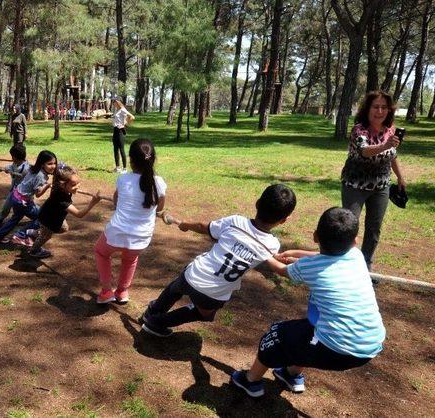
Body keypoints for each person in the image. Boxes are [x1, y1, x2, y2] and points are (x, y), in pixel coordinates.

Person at [231, 207, 386, 398]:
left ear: (315, 237)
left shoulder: (309, 268)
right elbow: (319, 258)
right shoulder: (357, 256)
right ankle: (290, 374)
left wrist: (263, 255)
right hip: (370, 345)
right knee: (306, 331)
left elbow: (282, 270)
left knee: (276, 334)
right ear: (355, 241)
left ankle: (250, 380)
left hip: (338, 349)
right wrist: (295, 253)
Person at [141, 184, 297, 337]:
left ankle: (153, 311)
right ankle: (157, 322)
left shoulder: (236, 222)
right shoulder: (271, 245)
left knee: (175, 288)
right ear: (283, 220)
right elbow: (270, 260)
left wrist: (185, 225)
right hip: (213, 295)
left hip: (193, 274)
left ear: (257, 203)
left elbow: (204, 227)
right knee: (204, 314)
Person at [340, 90, 406, 273]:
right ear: (368, 109)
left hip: (381, 187)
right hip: (355, 185)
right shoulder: (359, 129)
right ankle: (345, 265)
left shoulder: (391, 130)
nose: (380, 111)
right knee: (348, 225)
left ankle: (365, 267)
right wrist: (385, 145)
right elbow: (364, 150)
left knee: (374, 229)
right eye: (376, 107)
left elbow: (393, 155)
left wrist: (400, 177)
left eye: (384, 107)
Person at [94, 138, 166, 304]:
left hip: (117, 232)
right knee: (130, 258)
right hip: (141, 237)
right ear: (153, 159)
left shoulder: (123, 179)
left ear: (131, 160)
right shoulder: (159, 183)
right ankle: (122, 292)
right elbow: (160, 208)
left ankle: (106, 292)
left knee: (100, 251)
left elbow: (115, 201)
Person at [21, 165, 102, 258]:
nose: (77, 187)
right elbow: (79, 214)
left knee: (64, 228)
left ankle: (35, 232)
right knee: (46, 236)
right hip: (48, 220)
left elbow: (58, 174)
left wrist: (68, 181)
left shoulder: (58, 187)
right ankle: (34, 251)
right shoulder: (62, 199)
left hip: (54, 216)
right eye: (73, 185)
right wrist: (93, 202)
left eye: (78, 183)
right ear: (62, 185)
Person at [0, 150, 57, 243]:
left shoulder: (33, 168)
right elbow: (38, 194)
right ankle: (21, 235)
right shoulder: (41, 176)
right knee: (43, 218)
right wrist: (47, 186)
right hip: (23, 202)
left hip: (16, 196)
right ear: (42, 164)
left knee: (16, 217)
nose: (53, 166)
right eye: (50, 164)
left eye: (54, 163)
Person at [0, 144, 30, 226]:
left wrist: (5, 169)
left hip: (23, 193)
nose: (12, 158)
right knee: (7, 205)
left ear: (15, 157)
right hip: (14, 190)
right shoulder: (16, 164)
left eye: (12, 156)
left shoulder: (25, 168)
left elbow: (17, 173)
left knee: (27, 209)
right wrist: (0, 167)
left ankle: (39, 218)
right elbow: (9, 167)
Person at [111, 99, 135, 173]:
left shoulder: (123, 110)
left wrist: (125, 124)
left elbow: (132, 117)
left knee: (121, 150)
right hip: (115, 131)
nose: (113, 104)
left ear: (118, 102)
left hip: (120, 131)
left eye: (114, 103)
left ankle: (124, 169)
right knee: (115, 150)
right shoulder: (116, 110)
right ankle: (117, 167)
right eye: (113, 103)